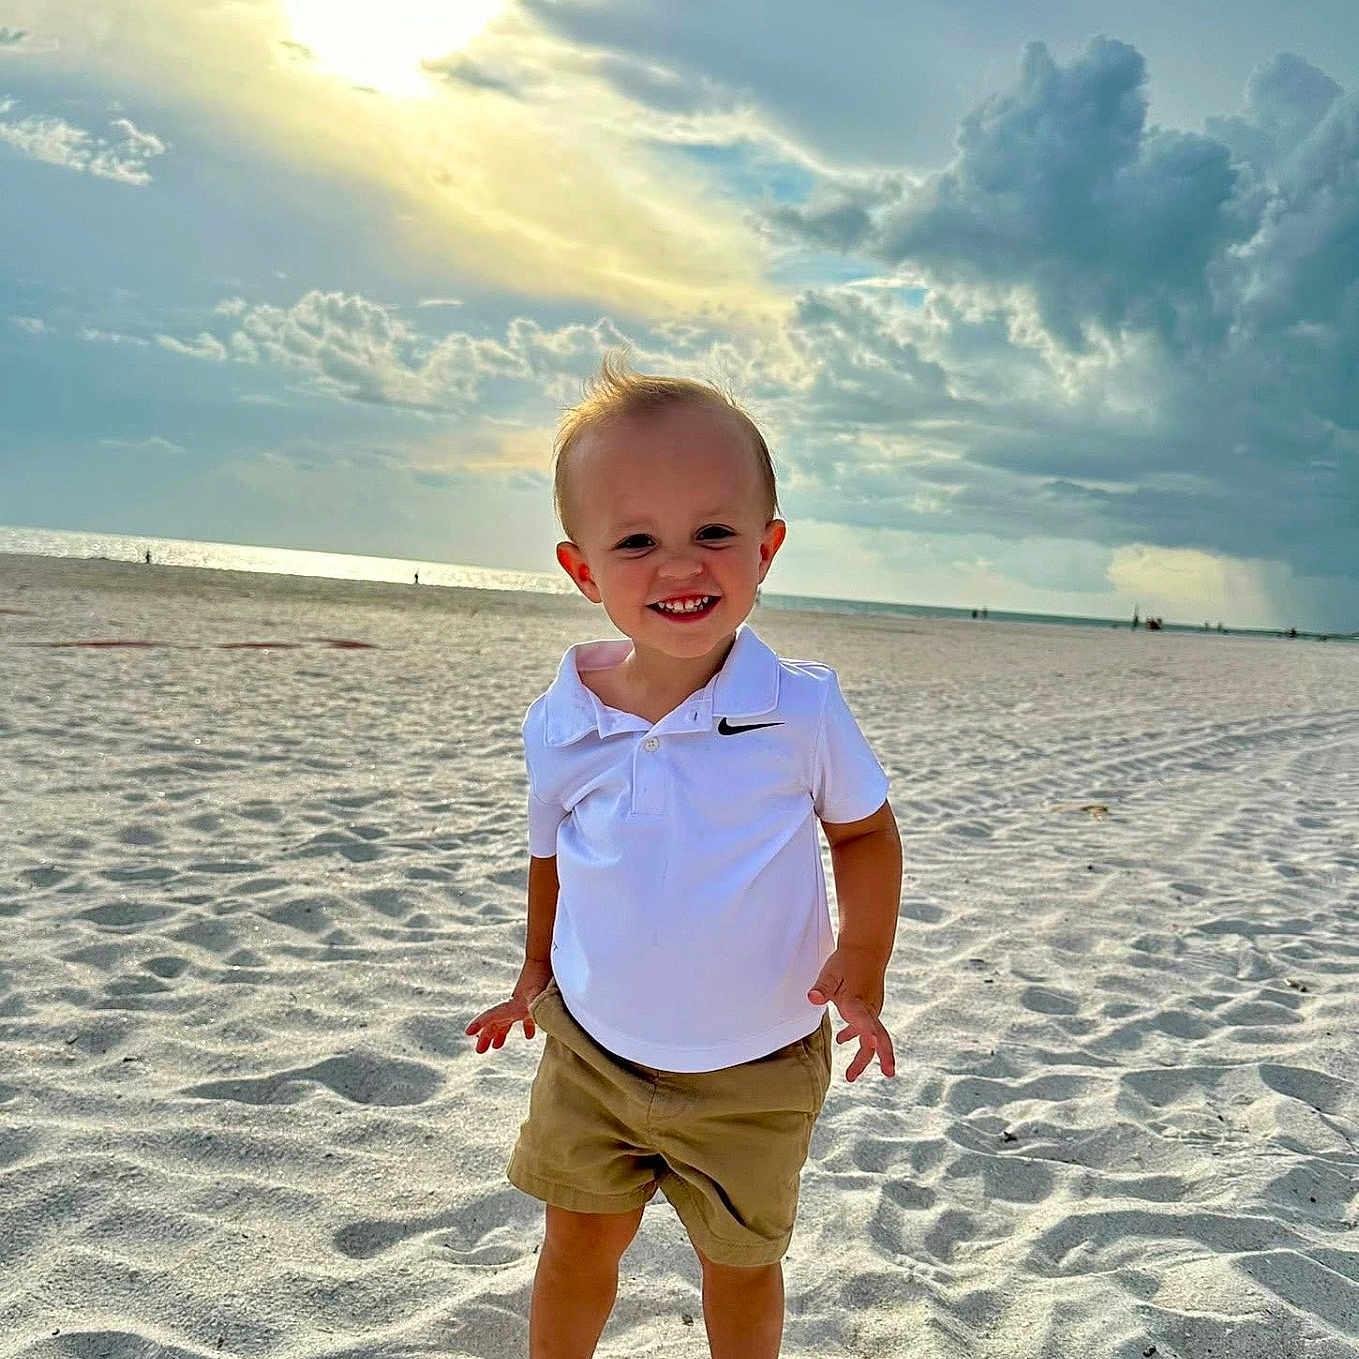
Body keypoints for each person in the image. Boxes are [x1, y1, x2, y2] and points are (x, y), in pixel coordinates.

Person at [466, 357, 902, 1359]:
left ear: (766, 547)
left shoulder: (799, 709)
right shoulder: (563, 721)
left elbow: (864, 833)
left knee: (740, 1270)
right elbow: (551, 853)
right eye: (636, 542)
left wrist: (865, 959)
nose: (679, 567)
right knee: (576, 1248)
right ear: (583, 571)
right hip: (593, 1052)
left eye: (713, 532)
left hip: (757, 1066)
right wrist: (532, 969)